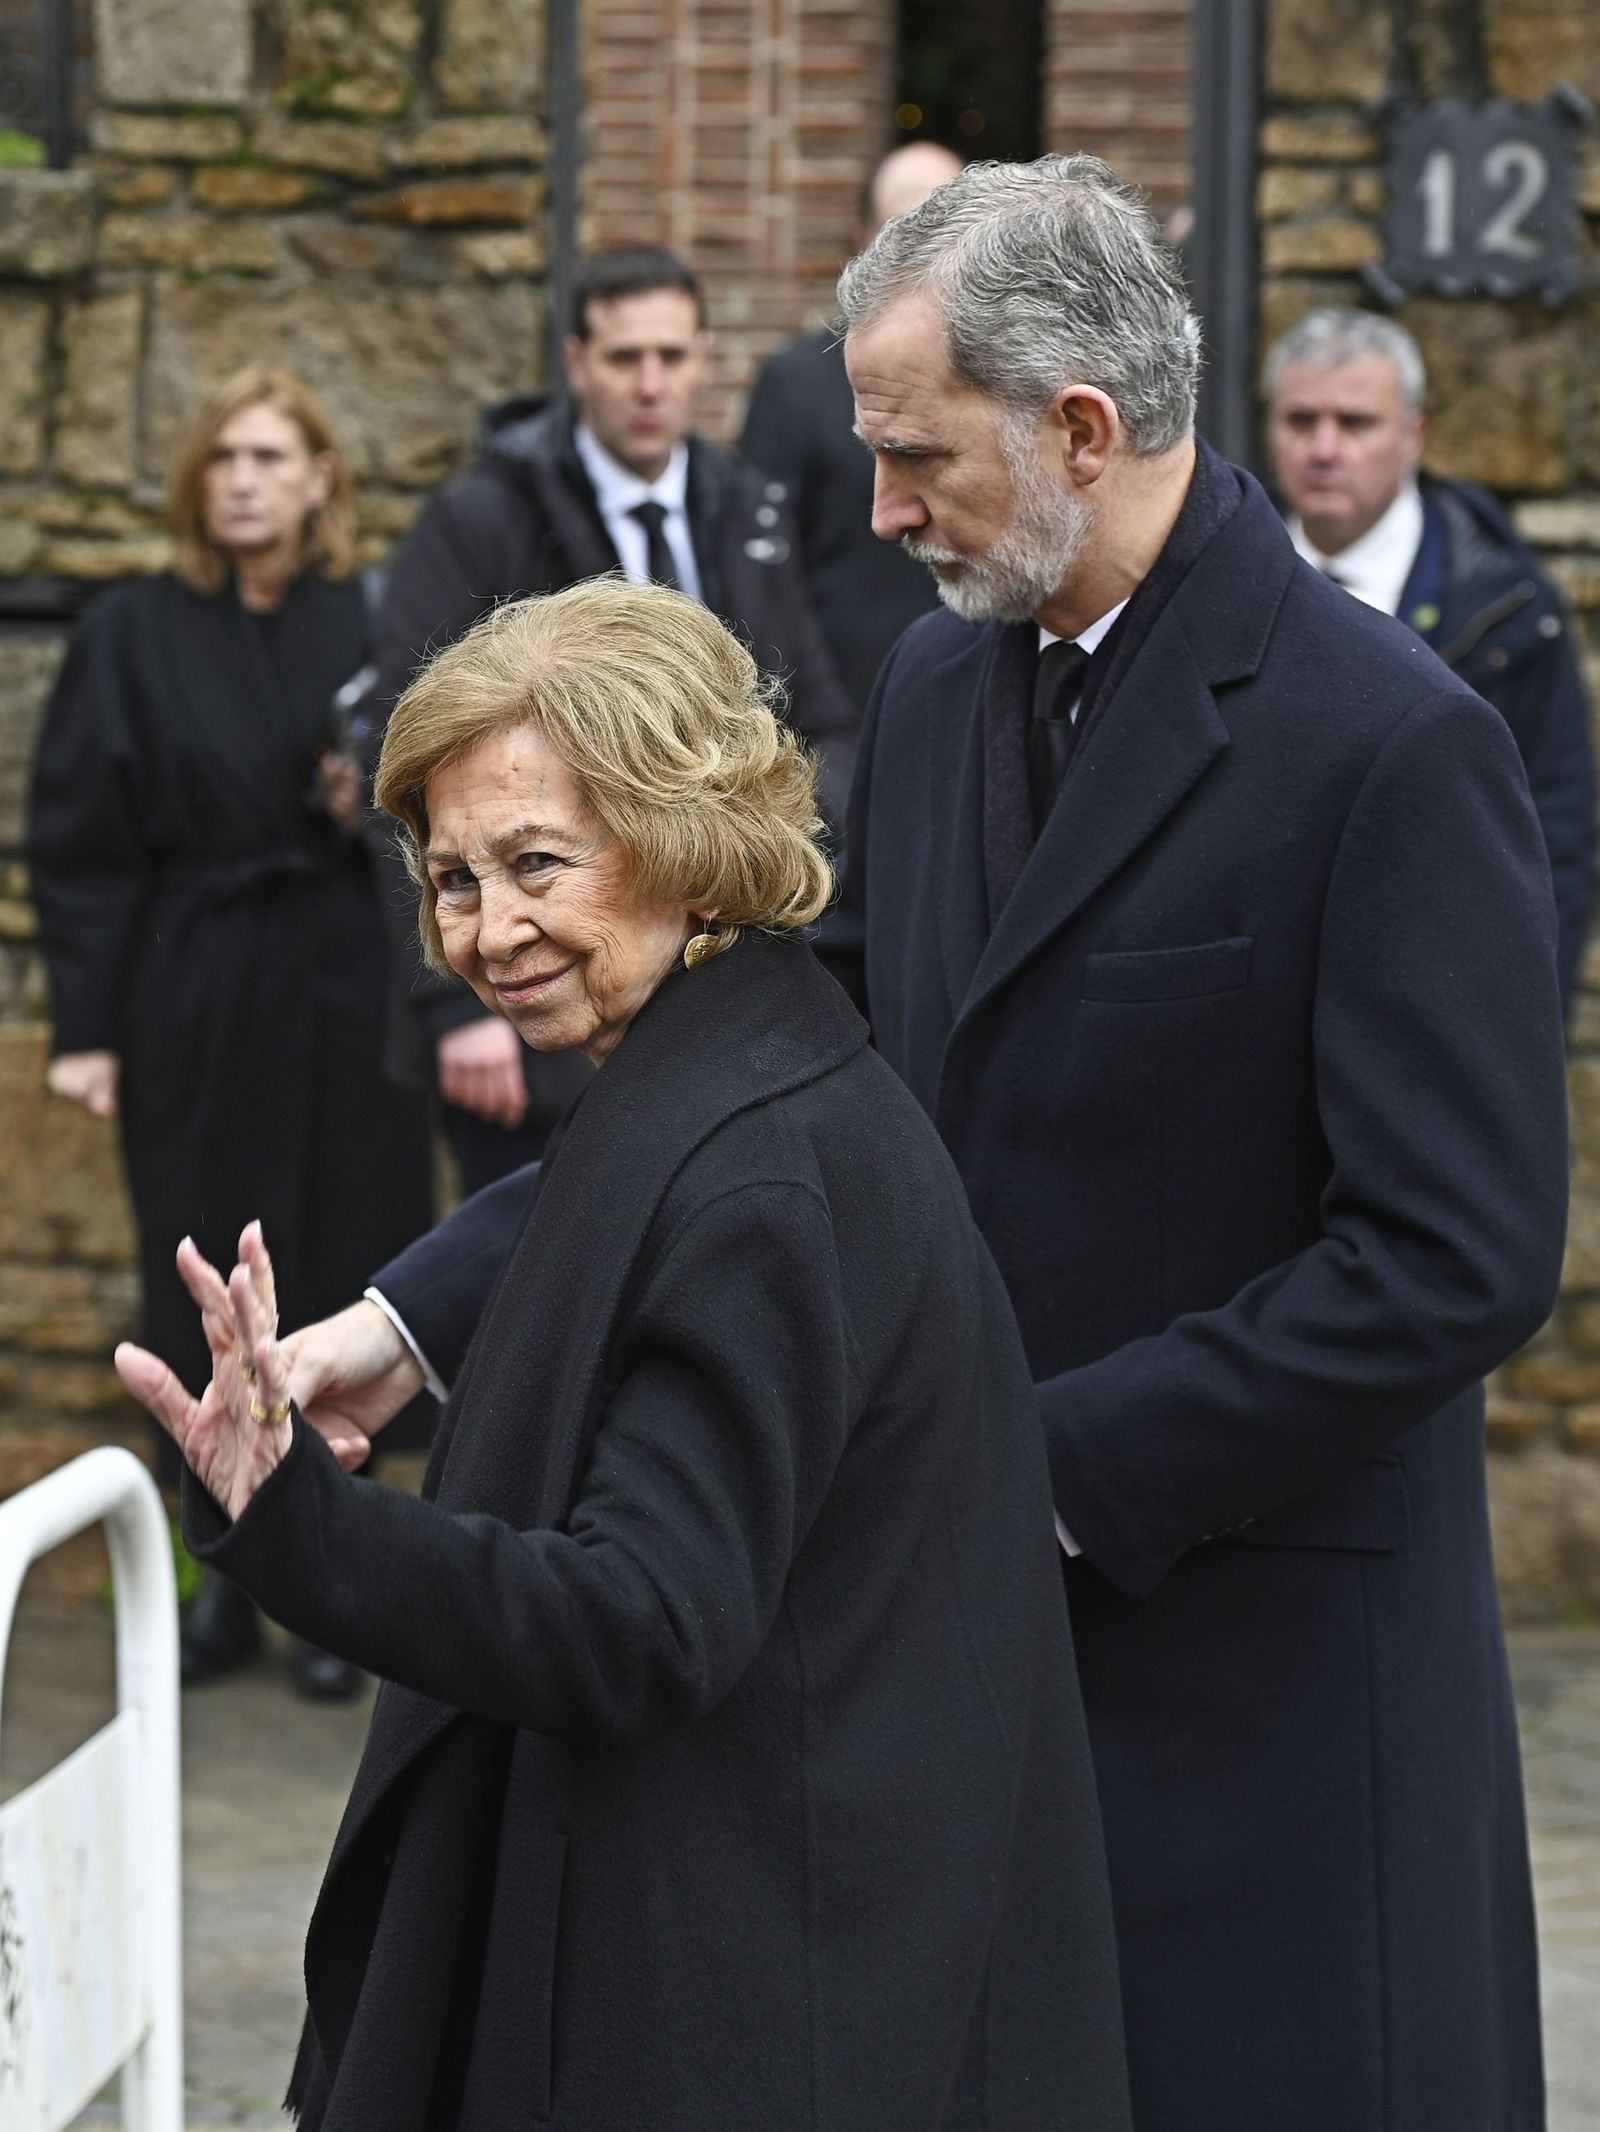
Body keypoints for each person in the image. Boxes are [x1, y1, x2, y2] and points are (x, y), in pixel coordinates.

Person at [286, 158, 1572, 2129]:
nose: (875, 511)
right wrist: (426, 1309)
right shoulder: (938, 667)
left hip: (1261, 1689)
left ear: (1075, 425)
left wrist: (1025, 1471)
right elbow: (789, 1070)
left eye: (911, 459)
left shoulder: (1386, 738)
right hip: (957, 1675)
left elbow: (1447, 1256)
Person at [113, 578, 1133, 2132]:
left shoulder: (756, 1170)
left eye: (537, 864)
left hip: (732, 2008)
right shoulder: (739, 1069)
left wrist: (293, 1519)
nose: (488, 930)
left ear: (683, 840)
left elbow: (641, 1621)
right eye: (451, 880)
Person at [28, 367, 433, 1701]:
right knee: (195, 1278)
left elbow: (434, 814)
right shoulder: (135, 632)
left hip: (339, 987)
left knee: (335, 1271)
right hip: (193, 987)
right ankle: (217, 1588)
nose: (246, 478)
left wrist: (360, 803)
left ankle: (324, 1593)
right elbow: (82, 845)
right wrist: (87, 1031)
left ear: (322, 477)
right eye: (225, 459)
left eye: (273, 455)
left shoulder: (373, 624)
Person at [366, 242, 854, 1198]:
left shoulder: (746, 507)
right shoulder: (487, 512)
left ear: (705, 361)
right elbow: (402, 763)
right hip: (528, 993)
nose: (649, 384)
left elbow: (814, 723)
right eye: (625, 357)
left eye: (672, 358)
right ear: (575, 361)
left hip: (710, 980)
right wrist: (451, 1010)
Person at [1267, 305, 1597, 1010]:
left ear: (1412, 435)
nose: (1324, 449)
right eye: (1301, 421)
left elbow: (1555, 840)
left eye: (1355, 423)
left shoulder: (1508, 609)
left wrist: (1522, 1028)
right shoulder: (1218, 580)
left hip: (1439, 1002)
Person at [741, 140, 963, 713]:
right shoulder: (797, 382)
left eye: (945, 234)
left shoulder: (1001, 384)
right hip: (844, 715)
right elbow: (765, 567)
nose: (924, 258)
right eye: (903, 232)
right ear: (866, 239)